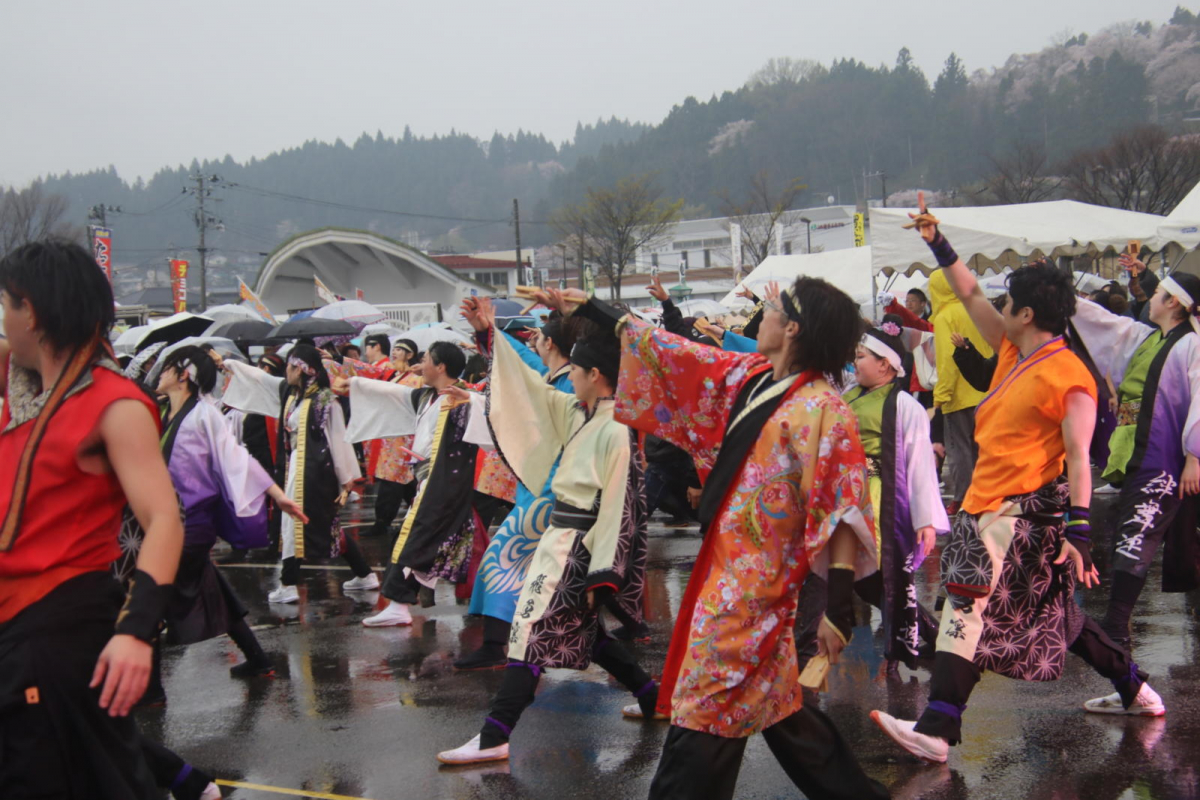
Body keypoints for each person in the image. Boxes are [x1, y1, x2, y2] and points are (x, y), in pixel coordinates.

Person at [871, 194, 1164, 766]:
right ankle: (1138, 690)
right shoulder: (1010, 349)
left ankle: (937, 728)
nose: (1000, 305)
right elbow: (971, 292)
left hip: (1022, 516)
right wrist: (937, 241)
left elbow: (1079, 458)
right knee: (1064, 619)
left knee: (965, 609)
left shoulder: (1070, 375)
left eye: (1011, 301)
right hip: (989, 507)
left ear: (1029, 313)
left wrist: (1080, 533)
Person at [572, 277, 887, 798]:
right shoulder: (754, 375)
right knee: (779, 709)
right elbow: (680, 354)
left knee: (706, 704)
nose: (762, 312)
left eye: (772, 307)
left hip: (756, 588)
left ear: (792, 328)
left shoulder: (823, 409)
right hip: (726, 567)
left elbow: (842, 512)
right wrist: (593, 309)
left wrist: (837, 607)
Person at [0, 241, 185, 797]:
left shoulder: (115, 403)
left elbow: (164, 519)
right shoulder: (25, 393)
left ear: (30, 311)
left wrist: (135, 632)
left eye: (6, 306)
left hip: (59, 632)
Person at [436, 315, 655, 766]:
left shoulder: (616, 431)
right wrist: (487, 337)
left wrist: (606, 573)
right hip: (559, 538)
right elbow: (531, 394)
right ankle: (654, 697)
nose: (567, 377)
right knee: (585, 635)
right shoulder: (582, 412)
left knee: (530, 632)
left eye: (575, 371)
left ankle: (494, 734)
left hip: (577, 549)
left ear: (596, 376)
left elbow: (619, 508)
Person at [1068, 257, 1200, 712]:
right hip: (1143, 458)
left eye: (1159, 293)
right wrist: (1062, 298)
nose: (1152, 299)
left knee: (1133, 551)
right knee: (1133, 550)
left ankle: (1123, 663)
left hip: (1165, 461)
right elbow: (1107, 324)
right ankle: (1125, 673)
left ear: (1176, 306)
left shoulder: (1191, 346)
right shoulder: (1151, 338)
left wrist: (1195, 455)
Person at [150, 345, 305, 687]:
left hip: (189, 525)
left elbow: (238, 458)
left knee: (149, 597)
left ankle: (150, 689)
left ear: (183, 375)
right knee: (212, 591)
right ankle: (258, 658)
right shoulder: (167, 413)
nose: (159, 374)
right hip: (175, 523)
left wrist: (278, 496)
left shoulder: (204, 415)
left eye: (167, 368)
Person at [454, 300, 582, 669]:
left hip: (555, 487)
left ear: (553, 344)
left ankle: (498, 645)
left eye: (539, 336)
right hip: (539, 484)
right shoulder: (551, 375)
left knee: (502, 559)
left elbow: (518, 366)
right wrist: (487, 332)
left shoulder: (573, 382)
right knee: (546, 569)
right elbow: (518, 362)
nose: (534, 341)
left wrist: (492, 333)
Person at [826, 321, 949, 670]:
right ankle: (931, 636)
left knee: (878, 578)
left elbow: (920, 465)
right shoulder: (849, 393)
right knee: (863, 580)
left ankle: (923, 639)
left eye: (861, 356)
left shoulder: (905, 405)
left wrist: (924, 520)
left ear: (886, 364)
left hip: (879, 500)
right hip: (846, 498)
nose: (854, 363)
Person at [341, 342, 483, 626]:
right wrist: (356, 384)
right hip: (427, 479)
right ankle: (400, 603)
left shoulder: (464, 398)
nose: (421, 364)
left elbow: (492, 411)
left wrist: (470, 398)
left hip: (443, 483)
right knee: (416, 540)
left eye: (426, 359)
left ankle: (399, 603)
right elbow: (393, 392)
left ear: (441, 366)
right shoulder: (427, 396)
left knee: (413, 539)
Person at [221, 344, 373, 604]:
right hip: (296, 468)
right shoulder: (292, 396)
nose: (288, 371)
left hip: (315, 473)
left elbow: (338, 438)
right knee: (324, 525)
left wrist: (347, 478)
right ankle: (365, 574)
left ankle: (289, 583)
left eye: (292, 367)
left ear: (306, 370)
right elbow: (261, 379)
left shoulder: (325, 401)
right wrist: (229, 365)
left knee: (294, 524)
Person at [929, 268, 994, 515]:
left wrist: (941, 396)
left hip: (960, 395)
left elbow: (948, 359)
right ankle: (985, 495)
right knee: (982, 450)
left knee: (960, 452)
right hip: (986, 390)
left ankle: (963, 498)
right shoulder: (977, 308)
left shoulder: (945, 316)